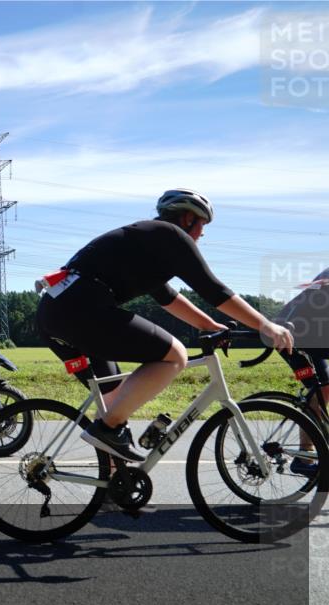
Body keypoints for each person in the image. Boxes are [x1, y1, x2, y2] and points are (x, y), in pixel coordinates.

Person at [36, 188, 294, 463]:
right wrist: (267, 325)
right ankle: (106, 430)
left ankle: (114, 481)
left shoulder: (147, 243)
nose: (202, 234)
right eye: (202, 225)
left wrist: (209, 325)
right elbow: (214, 290)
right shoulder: (171, 236)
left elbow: (168, 298)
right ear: (187, 219)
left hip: (56, 312)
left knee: (116, 400)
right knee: (175, 355)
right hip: (82, 309)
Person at [273, 267, 328, 475]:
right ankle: (304, 458)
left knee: (323, 389)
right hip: (289, 337)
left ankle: (311, 451)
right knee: (320, 388)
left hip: (312, 337)